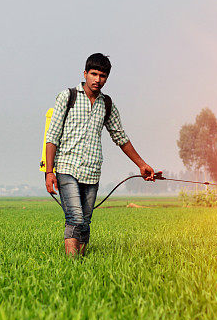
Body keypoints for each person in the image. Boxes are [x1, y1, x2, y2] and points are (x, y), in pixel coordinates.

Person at [44, 53, 155, 256]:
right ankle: (71, 265)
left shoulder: (107, 104)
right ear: (85, 73)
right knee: (75, 217)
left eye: (102, 75)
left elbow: (120, 137)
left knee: (85, 222)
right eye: (93, 74)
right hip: (67, 167)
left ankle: (81, 265)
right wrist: (49, 172)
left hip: (92, 171)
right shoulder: (67, 96)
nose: (97, 79)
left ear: (106, 78)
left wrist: (142, 164)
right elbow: (52, 136)